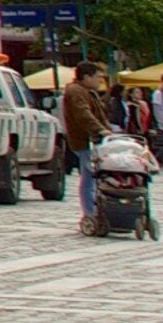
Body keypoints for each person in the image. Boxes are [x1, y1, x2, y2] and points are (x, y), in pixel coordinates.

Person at [61, 61, 112, 231]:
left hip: (93, 140)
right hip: (85, 141)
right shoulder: (76, 91)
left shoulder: (87, 91)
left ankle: (97, 211)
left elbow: (98, 115)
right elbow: (83, 114)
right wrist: (100, 130)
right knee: (89, 177)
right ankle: (90, 213)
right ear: (86, 77)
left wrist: (107, 131)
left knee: (94, 177)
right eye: (98, 77)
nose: (100, 81)